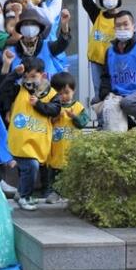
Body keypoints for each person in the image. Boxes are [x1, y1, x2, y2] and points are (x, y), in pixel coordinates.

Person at [0, 55, 61, 211]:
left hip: (38, 142)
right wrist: (14, 74)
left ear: (43, 75)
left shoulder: (51, 93)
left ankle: (21, 192)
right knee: (31, 166)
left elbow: (56, 109)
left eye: (33, 76)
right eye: (26, 76)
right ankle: (25, 196)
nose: (29, 80)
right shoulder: (18, 89)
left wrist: (38, 104)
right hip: (20, 141)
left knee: (30, 169)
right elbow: (2, 88)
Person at [46, 72, 90, 203]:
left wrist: (74, 117)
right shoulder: (53, 108)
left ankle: (74, 193)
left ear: (73, 91)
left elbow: (83, 123)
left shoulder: (78, 107)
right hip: (56, 148)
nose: (63, 96)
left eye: (66, 92)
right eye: (59, 93)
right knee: (55, 172)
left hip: (73, 148)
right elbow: (46, 123)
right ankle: (54, 193)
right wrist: (54, 118)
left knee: (73, 172)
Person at [78, 0, 122, 98]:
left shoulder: (122, 17)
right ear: (102, 0)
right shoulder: (98, 15)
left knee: (115, 90)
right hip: (96, 61)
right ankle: (101, 116)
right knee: (98, 91)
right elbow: (88, 3)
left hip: (115, 61)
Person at [8, 7, 71, 78]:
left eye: (33, 24)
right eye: (25, 24)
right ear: (20, 28)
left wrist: (64, 25)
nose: (29, 27)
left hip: (48, 88)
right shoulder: (11, 52)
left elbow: (62, 43)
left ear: (39, 28)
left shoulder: (48, 46)